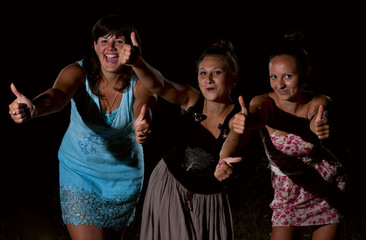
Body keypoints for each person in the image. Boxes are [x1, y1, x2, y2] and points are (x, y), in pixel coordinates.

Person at [8, 15, 156, 240]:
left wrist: (142, 123)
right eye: (104, 40)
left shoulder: (142, 80)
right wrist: (34, 108)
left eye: (118, 41)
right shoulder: (77, 72)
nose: (111, 47)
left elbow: (144, 104)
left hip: (123, 176)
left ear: (132, 47)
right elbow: (57, 95)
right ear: (94, 46)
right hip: (80, 173)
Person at [120, 32, 248, 239]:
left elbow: (232, 144)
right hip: (169, 185)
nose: (208, 79)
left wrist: (225, 163)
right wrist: (138, 63)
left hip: (209, 197)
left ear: (234, 78)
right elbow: (160, 85)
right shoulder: (190, 98)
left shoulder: (239, 117)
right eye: (203, 73)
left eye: (216, 73)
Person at [231, 30, 348, 240]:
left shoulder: (318, 102)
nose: (280, 84)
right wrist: (248, 121)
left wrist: (317, 126)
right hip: (287, 195)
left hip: (326, 189)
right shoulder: (265, 102)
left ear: (304, 74)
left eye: (288, 76)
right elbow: (258, 114)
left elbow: (317, 118)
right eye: (274, 77)